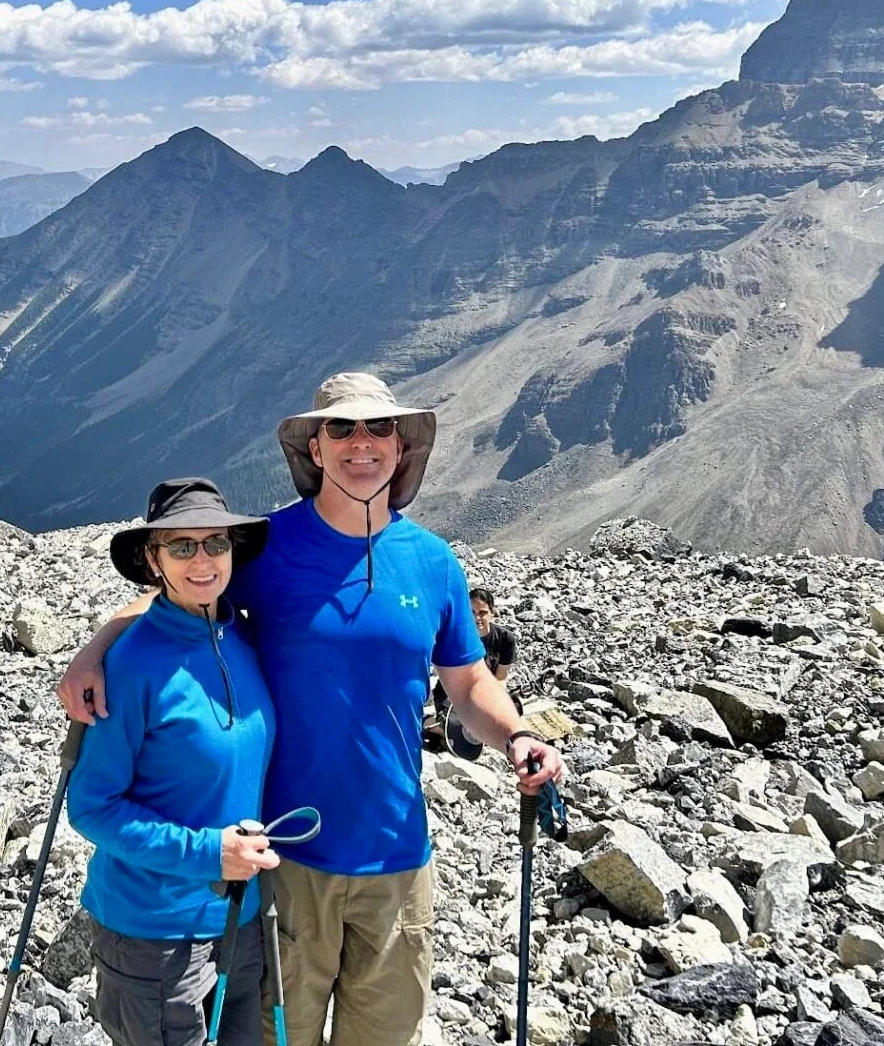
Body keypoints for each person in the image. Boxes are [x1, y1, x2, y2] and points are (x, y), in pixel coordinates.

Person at [59, 373, 565, 1046]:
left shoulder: (435, 563)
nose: (362, 442)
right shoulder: (266, 548)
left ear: (402, 447)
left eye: (379, 427)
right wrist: (95, 648)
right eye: (341, 428)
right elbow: (181, 597)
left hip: (397, 855)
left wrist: (518, 735)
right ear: (315, 448)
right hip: (287, 860)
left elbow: (469, 682)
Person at [66, 478, 279, 1046]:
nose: (202, 559)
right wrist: (210, 853)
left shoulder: (242, 635)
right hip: (153, 934)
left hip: (240, 917)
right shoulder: (131, 666)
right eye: (181, 546)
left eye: (216, 542)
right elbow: (91, 806)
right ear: (153, 560)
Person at [430, 587, 520, 759]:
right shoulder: (455, 638)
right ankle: (429, 724)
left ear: (492, 613)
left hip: (487, 694)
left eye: (483, 613)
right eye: (472, 612)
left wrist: (493, 704)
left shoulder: (505, 639)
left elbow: (501, 678)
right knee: (455, 727)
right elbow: (448, 676)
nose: (477, 618)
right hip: (453, 694)